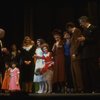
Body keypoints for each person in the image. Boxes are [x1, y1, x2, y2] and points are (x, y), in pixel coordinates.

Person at [78, 16, 100, 93]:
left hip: (92, 54)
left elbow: (96, 40)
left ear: (85, 21)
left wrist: (85, 39)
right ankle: (88, 89)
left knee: (94, 71)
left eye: (81, 23)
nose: (80, 25)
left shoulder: (94, 28)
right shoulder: (84, 30)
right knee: (86, 72)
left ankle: (97, 88)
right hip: (85, 55)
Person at [66, 22, 84, 93]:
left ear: (70, 27)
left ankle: (80, 88)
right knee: (73, 72)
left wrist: (75, 53)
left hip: (75, 55)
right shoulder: (73, 33)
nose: (68, 31)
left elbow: (78, 43)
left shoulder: (77, 31)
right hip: (72, 55)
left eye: (68, 29)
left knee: (77, 72)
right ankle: (76, 88)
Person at [52, 29, 65, 93]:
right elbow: (53, 52)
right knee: (56, 72)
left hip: (61, 57)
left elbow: (63, 48)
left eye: (57, 37)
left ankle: (63, 86)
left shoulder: (62, 42)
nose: (56, 38)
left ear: (60, 36)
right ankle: (58, 87)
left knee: (61, 72)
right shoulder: (54, 44)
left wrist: (59, 46)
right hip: (56, 58)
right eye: (55, 37)